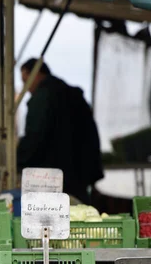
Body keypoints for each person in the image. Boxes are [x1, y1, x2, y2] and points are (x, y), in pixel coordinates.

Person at [17, 58, 103, 203]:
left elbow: (34, 137)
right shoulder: (69, 93)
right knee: (82, 213)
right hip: (80, 171)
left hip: (59, 175)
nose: (26, 88)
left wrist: (18, 161)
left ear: (36, 74)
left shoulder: (43, 97)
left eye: (26, 81)